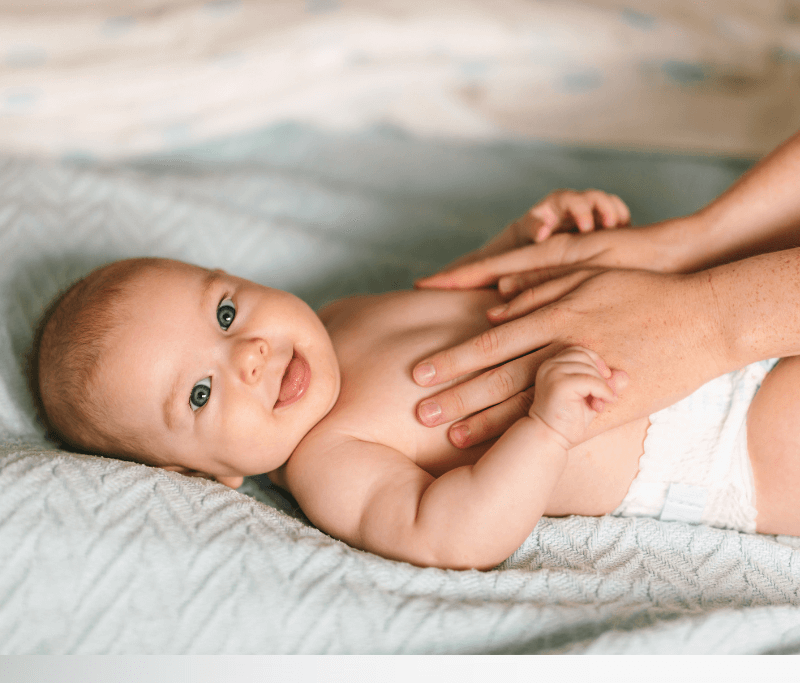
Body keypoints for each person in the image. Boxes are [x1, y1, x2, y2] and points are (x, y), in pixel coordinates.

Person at [31, 185, 800, 571]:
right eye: (201, 394)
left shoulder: (341, 315)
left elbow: (464, 291)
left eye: (227, 312)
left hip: (682, 302)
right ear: (210, 474)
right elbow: (456, 533)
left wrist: (528, 240)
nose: (249, 357)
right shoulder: (330, 464)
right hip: (712, 440)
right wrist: (545, 427)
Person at [411, 130, 800, 457]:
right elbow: (452, 535)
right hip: (719, 434)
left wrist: (705, 316)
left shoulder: (347, 319)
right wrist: (693, 246)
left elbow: (449, 296)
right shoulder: (350, 450)